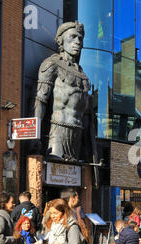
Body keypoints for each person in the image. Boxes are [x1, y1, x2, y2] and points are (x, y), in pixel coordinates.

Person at [33, 21, 91, 161]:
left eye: (80, 38)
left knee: (74, 179)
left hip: (78, 136)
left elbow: (87, 116)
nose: (77, 41)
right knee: (54, 174)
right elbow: (40, 101)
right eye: (73, 37)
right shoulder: (51, 65)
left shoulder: (84, 76)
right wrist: (35, 135)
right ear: (61, 40)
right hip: (57, 133)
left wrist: (89, 146)